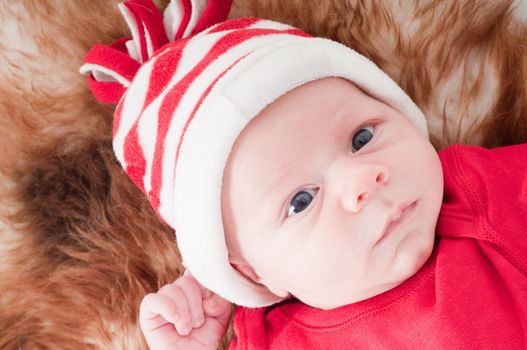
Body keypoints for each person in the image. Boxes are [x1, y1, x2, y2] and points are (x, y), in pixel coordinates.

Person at [81, 0, 527, 348]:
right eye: (301, 201)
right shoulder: (269, 339)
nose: (363, 180)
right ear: (251, 274)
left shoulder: (474, 197)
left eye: (361, 138)